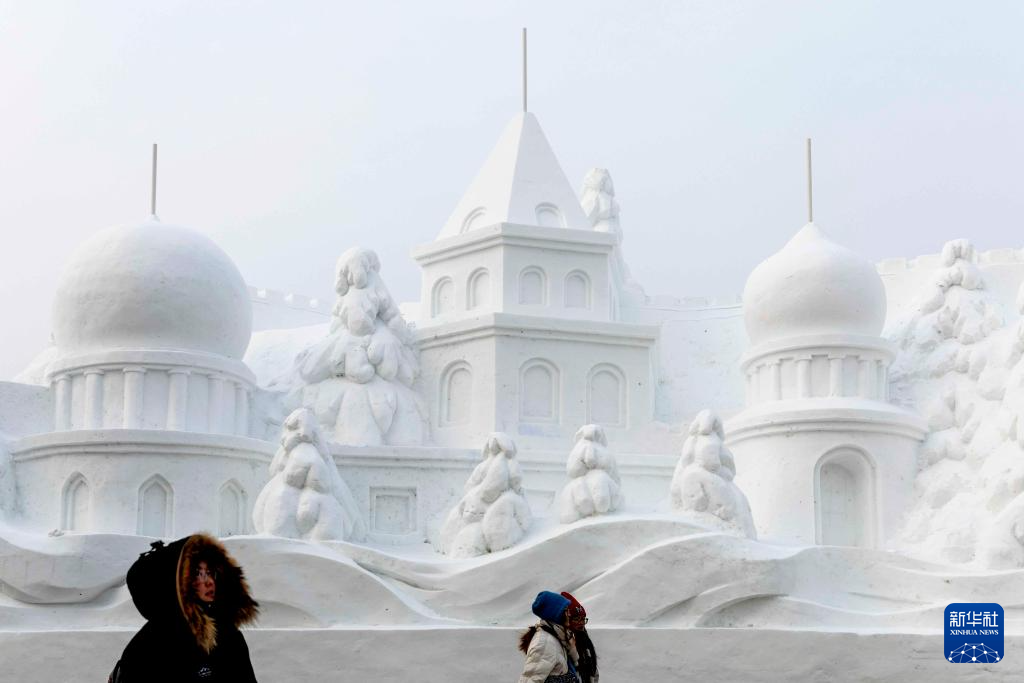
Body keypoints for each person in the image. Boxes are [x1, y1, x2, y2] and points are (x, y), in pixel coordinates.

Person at [108, 533, 259, 682]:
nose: (209, 582)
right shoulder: (149, 646)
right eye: (198, 573)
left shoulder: (228, 635)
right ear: (178, 583)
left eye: (210, 572)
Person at [518, 590, 580, 683]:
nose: (569, 614)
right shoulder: (544, 643)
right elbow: (530, 680)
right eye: (566, 610)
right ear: (556, 613)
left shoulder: (557, 637)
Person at [561, 592, 598, 683]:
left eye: (583, 619)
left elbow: (593, 671)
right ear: (567, 620)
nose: (581, 623)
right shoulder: (562, 642)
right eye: (577, 619)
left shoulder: (584, 639)